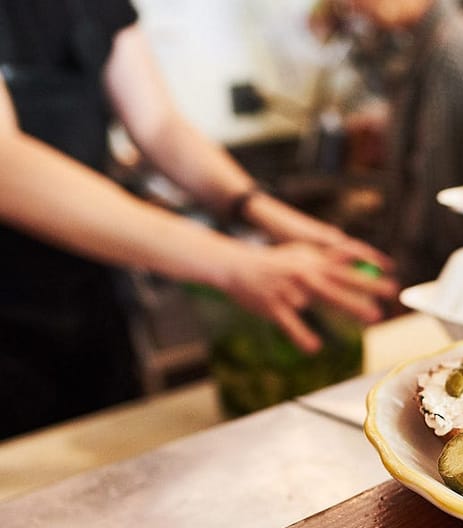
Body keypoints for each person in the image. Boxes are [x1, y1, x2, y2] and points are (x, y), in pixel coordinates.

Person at [0, 0, 398, 437]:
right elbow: (6, 163)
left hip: (91, 298)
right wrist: (234, 263)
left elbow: (158, 124)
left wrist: (262, 210)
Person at [311, 0, 463, 289]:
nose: (356, 6)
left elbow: (439, 194)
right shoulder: (431, 42)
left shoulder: (451, 52)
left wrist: (407, 276)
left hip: (439, 275)